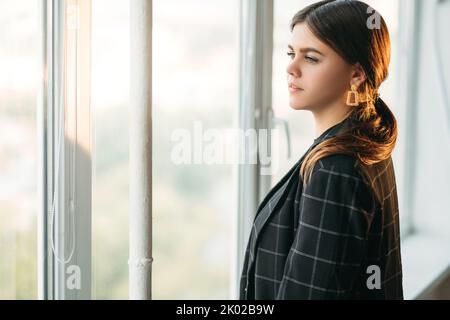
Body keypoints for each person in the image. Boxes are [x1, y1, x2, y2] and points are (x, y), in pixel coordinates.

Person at [240, 0, 403, 299]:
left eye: (311, 58)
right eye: (291, 54)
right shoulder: (363, 141)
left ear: (357, 74)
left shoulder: (337, 169)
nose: (291, 68)